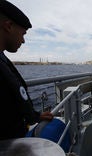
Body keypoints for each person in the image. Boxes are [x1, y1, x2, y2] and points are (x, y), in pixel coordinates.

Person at [0, 0, 53, 140]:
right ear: (9, 26)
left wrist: (36, 116)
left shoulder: (3, 59)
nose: (23, 41)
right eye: (23, 34)